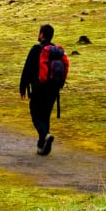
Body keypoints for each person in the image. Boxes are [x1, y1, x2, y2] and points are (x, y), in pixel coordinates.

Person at [19, 24, 66, 156]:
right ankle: (42, 146)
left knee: (35, 113)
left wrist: (22, 87)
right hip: (54, 89)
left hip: (40, 87)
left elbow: (27, 69)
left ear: (42, 34)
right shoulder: (56, 51)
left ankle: (45, 135)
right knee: (45, 115)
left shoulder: (36, 49)